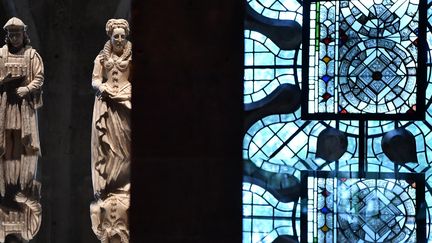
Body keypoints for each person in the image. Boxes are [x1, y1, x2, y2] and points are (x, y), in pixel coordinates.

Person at [0, 17, 43, 197]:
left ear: (23, 35)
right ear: (7, 36)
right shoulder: (1, 55)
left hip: (24, 105)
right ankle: (9, 184)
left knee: (25, 143)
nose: (14, 38)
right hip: (6, 104)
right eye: (11, 34)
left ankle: (24, 183)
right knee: (7, 139)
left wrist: (27, 88)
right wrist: (4, 81)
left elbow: (39, 77)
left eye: (17, 34)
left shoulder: (31, 55)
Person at [91, 19, 131, 196]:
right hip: (107, 100)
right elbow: (95, 79)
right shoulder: (101, 58)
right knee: (108, 138)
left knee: (125, 135)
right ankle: (110, 169)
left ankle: (126, 168)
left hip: (125, 99)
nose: (119, 39)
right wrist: (101, 87)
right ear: (110, 36)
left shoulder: (132, 57)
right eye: (116, 36)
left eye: (122, 36)